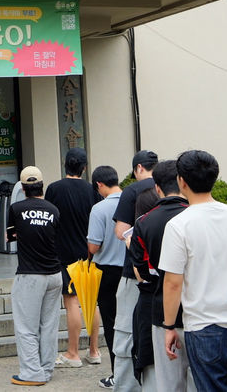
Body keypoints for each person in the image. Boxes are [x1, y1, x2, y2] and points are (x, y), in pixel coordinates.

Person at [160, 150, 227, 392]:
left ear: (182, 181)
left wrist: (169, 326)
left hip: (204, 326)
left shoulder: (179, 225)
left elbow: (172, 283)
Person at [127, 160, 192, 392]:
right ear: (182, 182)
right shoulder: (195, 216)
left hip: (162, 311)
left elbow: (143, 271)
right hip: (199, 311)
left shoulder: (144, 222)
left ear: (157, 188)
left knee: (169, 384)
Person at [45, 148, 102, 368]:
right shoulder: (92, 190)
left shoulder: (54, 189)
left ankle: (73, 353)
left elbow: (50, 219)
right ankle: (94, 351)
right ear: (84, 168)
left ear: (64, 164)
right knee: (92, 302)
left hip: (64, 253)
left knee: (72, 303)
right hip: (88, 252)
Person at [7, 166, 63, 386]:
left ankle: (32, 373)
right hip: (54, 274)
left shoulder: (16, 208)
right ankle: (46, 368)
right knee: (49, 325)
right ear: (42, 186)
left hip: (30, 274)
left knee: (26, 327)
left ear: (23, 188)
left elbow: (10, 236)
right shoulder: (54, 210)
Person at [112, 150, 158, 392]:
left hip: (135, 273)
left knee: (127, 331)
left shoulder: (132, 190)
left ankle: (127, 386)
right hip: (166, 275)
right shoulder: (171, 186)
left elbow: (121, 232)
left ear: (138, 168)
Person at [86, 166, 126, 388]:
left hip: (107, 272)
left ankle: (117, 374)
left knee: (111, 324)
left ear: (99, 185)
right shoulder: (133, 201)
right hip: (131, 271)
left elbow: (94, 246)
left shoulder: (99, 208)